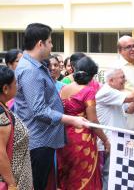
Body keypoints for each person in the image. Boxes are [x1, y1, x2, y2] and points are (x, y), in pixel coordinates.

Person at [14, 23, 89, 190]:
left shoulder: (36, 66)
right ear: (40, 43)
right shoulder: (30, 71)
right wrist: (71, 119)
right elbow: (39, 110)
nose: (52, 46)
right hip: (37, 140)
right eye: (50, 42)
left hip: (42, 139)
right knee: (36, 185)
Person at [96, 65, 134, 190]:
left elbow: (130, 109)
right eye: (122, 77)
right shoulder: (106, 91)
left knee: (118, 176)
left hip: (119, 141)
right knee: (109, 176)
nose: (125, 80)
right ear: (111, 80)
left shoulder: (115, 93)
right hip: (109, 143)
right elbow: (133, 97)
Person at [57, 56, 109, 190]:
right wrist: (105, 140)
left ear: (74, 70)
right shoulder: (88, 91)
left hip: (64, 137)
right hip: (82, 139)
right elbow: (92, 122)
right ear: (92, 75)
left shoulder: (63, 89)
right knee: (83, 176)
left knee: (68, 176)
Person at [0, 66, 33, 190]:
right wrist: (12, 184)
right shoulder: (1, 116)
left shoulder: (3, 108)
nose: (17, 85)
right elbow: (0, 153)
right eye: (15, 83)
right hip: (11, 182)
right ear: (5, 88)